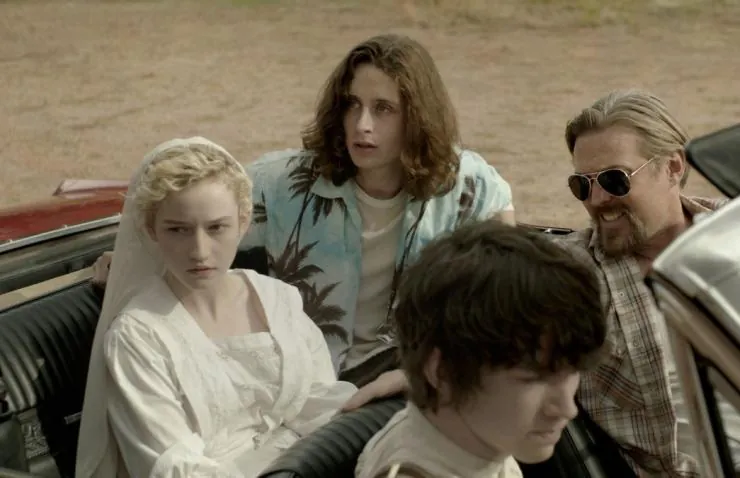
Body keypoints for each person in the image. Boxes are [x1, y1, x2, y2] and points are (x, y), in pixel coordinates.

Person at [90, 33, 516, 389]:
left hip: (413, 382)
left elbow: (508, 290)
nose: (362, 125)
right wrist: (134, 256)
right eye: (352, 104)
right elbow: (196, 214)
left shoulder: (469, 187)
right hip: (305, 383)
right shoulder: (282, 183)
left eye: (383, 109)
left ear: (418, 117)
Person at [345, 89, 727, 477]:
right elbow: (466, 313)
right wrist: (418, 372)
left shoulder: (731, 231)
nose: (597, 200)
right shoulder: (572, 274)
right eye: (582, 185)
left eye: (614, 180)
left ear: (673, 167)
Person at [75, 137, 357, 478]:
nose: (199, 251)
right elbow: (172, 467)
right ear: (151, 229)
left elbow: (321, 406)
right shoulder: (139, 336)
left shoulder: (277, 299)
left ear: (243, 222)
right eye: (178, 230)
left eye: (216, 227)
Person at [354, 220, 608, 478]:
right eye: (534, 379)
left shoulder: (477, 446)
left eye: (572, 371)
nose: (567, 409)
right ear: (444, 372)